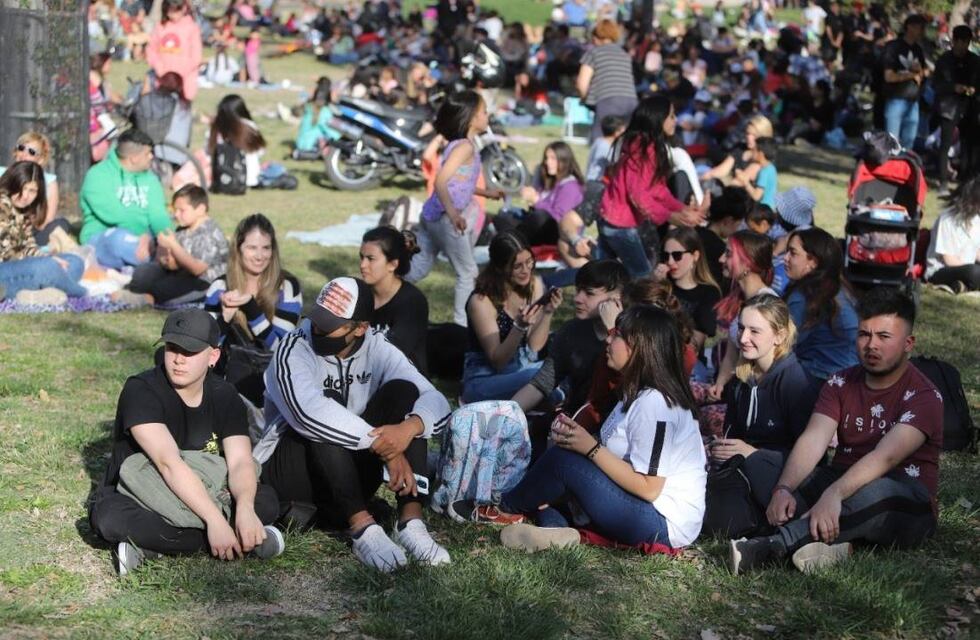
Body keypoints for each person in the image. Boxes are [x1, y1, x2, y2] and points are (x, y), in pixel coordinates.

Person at [730, 288, 943, 575]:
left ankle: (771, 547)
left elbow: (886, 458)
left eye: (884, 337)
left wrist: (834, 494)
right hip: (841, 480)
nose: (871, 345)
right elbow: (814, 438)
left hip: (902, 498)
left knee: (877, 492)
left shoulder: (924, 395)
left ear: (908, 343)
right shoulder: (840, 382)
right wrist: (784, 489)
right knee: (770, 469)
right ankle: (839, 545)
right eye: (864, 334)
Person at [257, 277, 453, 572]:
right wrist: (387, 449)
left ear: (360, 328)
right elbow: (308, 414)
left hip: (346, 470)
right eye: (317, 319)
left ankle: (411, 524)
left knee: (405, 393)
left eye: (330, 324)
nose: (318, 329)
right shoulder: (293, 347)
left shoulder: (376, 345)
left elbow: (435, 399)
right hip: (290, 473)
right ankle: (363, 529)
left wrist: (408, 429)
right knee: (329, 407)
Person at [491, 305, 707, 553]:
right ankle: (555, 530)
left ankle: (503, 508)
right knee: (557, 472)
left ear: (638, 347)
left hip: (662, 523)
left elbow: (649, 488)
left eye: (616, 335)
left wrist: (590, 449)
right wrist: (578, 439)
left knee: (565, 461)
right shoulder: (634, 393)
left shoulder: (656, 404)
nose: (608, 339)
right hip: (639, 507)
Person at [89, 309, 285, 577]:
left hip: (209, 488)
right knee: (108, 518)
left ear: (213, 356)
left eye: (190, 352)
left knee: (266, 501)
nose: (178, 360)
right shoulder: (140, 390)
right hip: (145, 493)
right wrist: (215, 520)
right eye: (172, 348)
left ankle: (153, 550)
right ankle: (242, 540)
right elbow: (168, 463)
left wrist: (246, 509)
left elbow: (240, 460)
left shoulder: (225, 394)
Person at [405, 90, 504, 326]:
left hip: (431, 216)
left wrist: (485, 192)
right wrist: (453, 214)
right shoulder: (465, 148)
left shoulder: (459, 144)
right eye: (483, 111)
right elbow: (440, 181)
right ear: (471, 118)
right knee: (467, 272)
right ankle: (462, 325)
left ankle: (381, 289)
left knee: (418, 268)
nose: (487, 115)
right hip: (445, 220)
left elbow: (458, 182)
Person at [597, 94, 706, 278]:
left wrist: (682, 209)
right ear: (657, 117)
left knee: (601, 276)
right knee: (642, 277)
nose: (675, 120)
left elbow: (657, 189)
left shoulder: (649, 145)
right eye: (671, 116)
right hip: (619, 225)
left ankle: (548, 281)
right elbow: (639, 196)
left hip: (613, 220)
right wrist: (669, 216)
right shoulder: (643, 148)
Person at [709, 294, 818, 468]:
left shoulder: (796, 383)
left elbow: (811, 456)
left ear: (779, 336)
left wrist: (753, 454)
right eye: (741, 328)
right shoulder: (741, 376)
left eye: (754, 331)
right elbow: (732, 434)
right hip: (740, 473)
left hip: (780, 482)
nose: (743, 338)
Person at [512, 259, 629, 415]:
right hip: (578, 420)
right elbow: (541, 384)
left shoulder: (638, 333)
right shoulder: (571, 332)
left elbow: (636, 383)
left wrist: (612, 330)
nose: (577, 298)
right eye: (578, 290)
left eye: (589, 293)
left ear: (617, 297)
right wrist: (506, 415)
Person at [463, 232, 561, 403]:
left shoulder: (534, 284)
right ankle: (556, 400)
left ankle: (551, 400)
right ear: (500, 267)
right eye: (517, 266)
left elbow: (534, 347)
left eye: (529, 262)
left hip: (522, 367)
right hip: (485, 379)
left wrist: (547, 312)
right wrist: (519, 327)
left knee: (562, 366)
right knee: (541, 377)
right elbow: (497, 361)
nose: (526, 270)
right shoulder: (481, 301)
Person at [80, 128, 172, 271]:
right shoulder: (97, 175)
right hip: (104, 236)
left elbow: (158, 215)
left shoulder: (150, 179)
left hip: (145, 239)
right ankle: (157, 264)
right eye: (148, 153)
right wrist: (143, 237)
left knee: (176, 245)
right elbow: (116, 216)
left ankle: (154, 264)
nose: (151, 157)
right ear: (134, 158)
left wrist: (167, 240)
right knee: (119, 239)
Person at [128, 185, 229, 305]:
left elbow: (197, 269)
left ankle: (144, 299)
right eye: (175, 210)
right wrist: (165, 257)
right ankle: (144, 293)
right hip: (183, 275)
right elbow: (175, 264)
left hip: (205, 282)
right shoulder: (183, 229)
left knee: (162, 290)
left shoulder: (210, 232)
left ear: (200, 209)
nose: (176, 215)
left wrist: (173, 244)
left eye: (182, 210)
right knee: (143, 273)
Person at [0, 162, 86, 302]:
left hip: (19, 267)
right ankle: (82, 293)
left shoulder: (24, 210)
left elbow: (28, 246)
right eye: (21, 188)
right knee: (47, 267)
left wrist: (44, 258)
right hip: (3, 269)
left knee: (74, 262)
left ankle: (34, 294)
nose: (25, 196)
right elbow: (7, 254)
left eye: (32, 191)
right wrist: (45, 262)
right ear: (11, 183)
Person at [783, 227, 860, 381]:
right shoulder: (840, 288)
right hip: (853, 377)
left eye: (793, 253)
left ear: (813, 262)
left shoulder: (804, 296)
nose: (785, 258)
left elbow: (780, 346)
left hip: (820, 379)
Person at [708, 231, 778, 401]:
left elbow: (768, 366)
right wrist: (720, 383)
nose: (721, 259)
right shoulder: (741, 298)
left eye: (728, 254)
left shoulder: (765, 305)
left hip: (756, 398)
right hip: (737, 391)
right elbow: (732, 352)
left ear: (747, 263)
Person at [495, 141, 584, 263]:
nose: (548, 162)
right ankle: (509, 239)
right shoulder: (550, 179)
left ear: (564, 161)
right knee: (503, 216)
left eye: (553, 158)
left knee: (539, 217)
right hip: (539, 227)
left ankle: (511, 241)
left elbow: (557, 217)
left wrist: (536, 200)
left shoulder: (570, 186)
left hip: (557, 232)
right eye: (547, 158)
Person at [360, 226, 429, 373]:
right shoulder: (359, 295)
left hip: (402, 381)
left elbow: (393, 355)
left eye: (370, 259)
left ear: (393, 264)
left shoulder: (412, 302)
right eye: (362, 257)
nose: (362, 265)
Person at [654, 226, 722, 358]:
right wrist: (655, 288)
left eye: (677, 255)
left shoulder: (709, 293)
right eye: (665, 256)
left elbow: (694, 345)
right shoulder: (661, 284)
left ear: (695, 256)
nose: (670, 261)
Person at [933, 26, 979, 195]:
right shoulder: (944, 60)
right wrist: (954, 87)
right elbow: (937, 85)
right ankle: (943, 182)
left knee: (969, 146)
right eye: (959, 42)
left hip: (970, 107)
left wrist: (973, 89)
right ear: (954, 41)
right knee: (945, 144)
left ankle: (966, 183)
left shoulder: (974, 61)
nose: (962, 46)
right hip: (949, 106)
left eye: (965, 42)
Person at [576, 19, 638, 142]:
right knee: (625, 142)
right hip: (631, 101)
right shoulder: (624, 55)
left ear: (597, 37)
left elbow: (581, 83)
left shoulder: (594, 53)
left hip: (608, 100)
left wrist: (584, 99)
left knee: (601, 142)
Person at [0, 132, 64, 245]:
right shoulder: (2, 173)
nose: (24, 154)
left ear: (41, 159)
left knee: (61, 224)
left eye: (32, 152)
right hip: (6, 229)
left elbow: (47, 220)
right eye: (21, 148)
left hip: (33, 231)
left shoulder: (49, 181)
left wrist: (26, 225)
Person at [925, 175, 980, 292]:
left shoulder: (976, 220)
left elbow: (976, 252)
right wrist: (970, 268)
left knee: (975, 271)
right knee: (975, 272)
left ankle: (962, 286)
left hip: (967, 268)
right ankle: (966, 283)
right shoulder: (947, 219)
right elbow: (949, 260)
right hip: (942, 270)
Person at [881, 14, 928, 150]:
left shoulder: (918, 50)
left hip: (913, 100)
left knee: (908, 142)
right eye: (920, 27)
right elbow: (888, 76)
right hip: (896, 99)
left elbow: (923, 71)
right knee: (892, 141)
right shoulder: (893, 47)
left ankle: (903, 168)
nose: (922, 31)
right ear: (909, 27)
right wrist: (911, 75)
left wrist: (921, 72)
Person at [699, 186, 753, 293]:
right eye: (738, 224)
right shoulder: (721, 251)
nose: (737, 229)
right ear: (728, 220)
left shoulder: (695, 232)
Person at [147, 0, 203, 101]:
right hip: (163, 77)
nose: (174, 15)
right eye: (170, 11)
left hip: (184, 79)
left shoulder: (192, 28)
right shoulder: (160, 27)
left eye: (177, 11)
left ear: (184, 9)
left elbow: (196, 57)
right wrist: (159, 68)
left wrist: (179, 73)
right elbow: (151, 50)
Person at [294, 77, 341, 156]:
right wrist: (340, 137)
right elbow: (328, 129)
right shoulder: (325, 111)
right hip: (309, 146)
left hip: (300, 143)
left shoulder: (308, 106)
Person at [732, 137, 778, 208]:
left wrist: (745, 183)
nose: (751, 152)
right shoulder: (771, 168)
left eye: (754, 150)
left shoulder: (764, 171)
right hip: (769, 208)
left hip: (763, 210)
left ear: (761, 154)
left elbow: (756, 196)